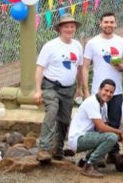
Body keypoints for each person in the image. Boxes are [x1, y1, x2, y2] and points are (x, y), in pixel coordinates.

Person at [33, 14, 84, 162]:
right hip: (51, 86)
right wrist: (38, 90)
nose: (69, 29)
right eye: (66, 26)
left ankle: (58, 148)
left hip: (69, 88)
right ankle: (43, 148)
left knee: (65, 119)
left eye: (72, 26)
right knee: (52, 112)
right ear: (60, 28)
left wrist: (79, 88)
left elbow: (80, 69)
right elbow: (40, 68)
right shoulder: (50, 45)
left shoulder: (77, 46)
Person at [82, 12, 123, 163]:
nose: (109, 25)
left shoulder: (121, 42)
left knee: (114, 122)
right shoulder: (92, 43)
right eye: (106, 22)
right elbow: (85, 67)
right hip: (97, 91)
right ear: (100, 23)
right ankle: (97, 153)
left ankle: (113, 152)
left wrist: (120, 66)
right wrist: (86, 91)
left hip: (117, 91)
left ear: (116, 24)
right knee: (98, 123)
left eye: (111, 22)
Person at [67, 79, 123, 178]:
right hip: (78, 139)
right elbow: (101, 126)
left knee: (111, 137)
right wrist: (119, 131)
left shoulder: (104, 104)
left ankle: (84, 161)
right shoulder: (92, 102)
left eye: (111, 92)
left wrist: (116, 134)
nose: (108, 94)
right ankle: (89, 165)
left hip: (87, 136)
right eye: (106, 90)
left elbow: (102, 128)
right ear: (99, 89)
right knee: (111, 137)